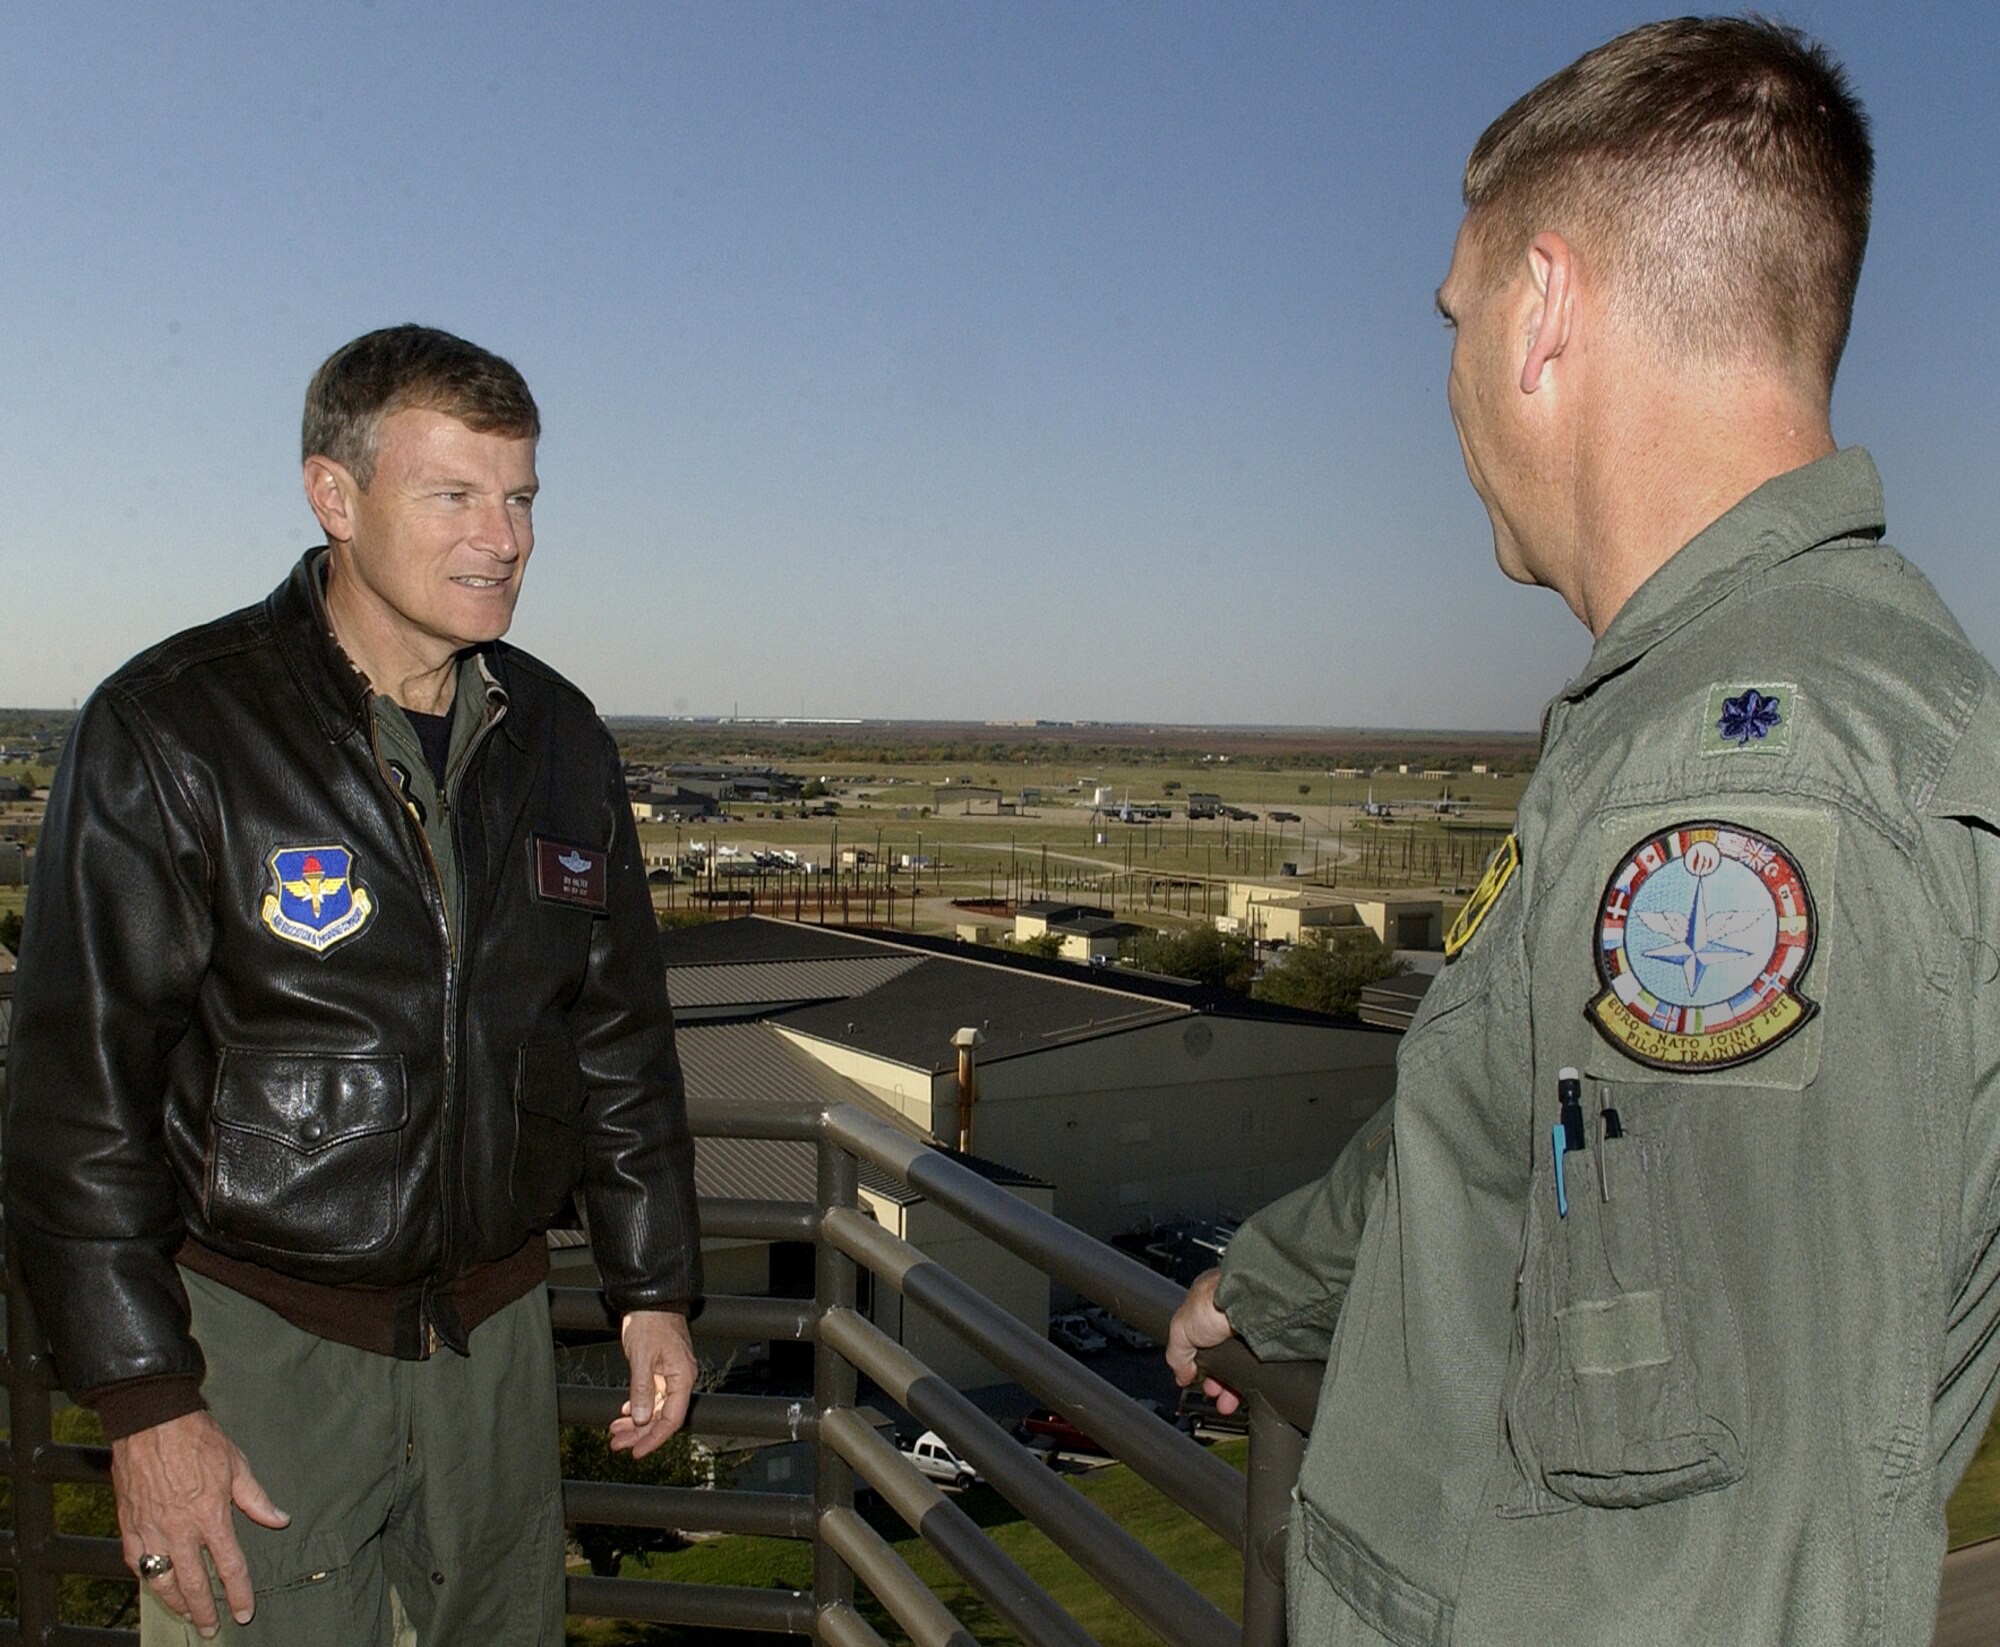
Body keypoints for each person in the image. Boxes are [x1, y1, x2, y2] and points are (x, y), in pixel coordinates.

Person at [1169, 18, 2000, 1643]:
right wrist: (1272, 1283)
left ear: (1544, 310)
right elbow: (1531, 1133)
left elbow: (1741, 1548)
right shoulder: (1708, 710)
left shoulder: (1745, 792)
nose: (1453, 374)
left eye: (1458, 315)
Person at [4, 325, 703, 1644]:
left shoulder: (555, 736)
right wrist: (146, 1406)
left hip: (494, 1353)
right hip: (261, 1354)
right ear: (335, 496)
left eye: (523, 497)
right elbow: (78, 1101)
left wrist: (654, 1284)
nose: (506, 537)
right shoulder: (176, 728)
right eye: (456, 494)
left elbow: (617, 1037)